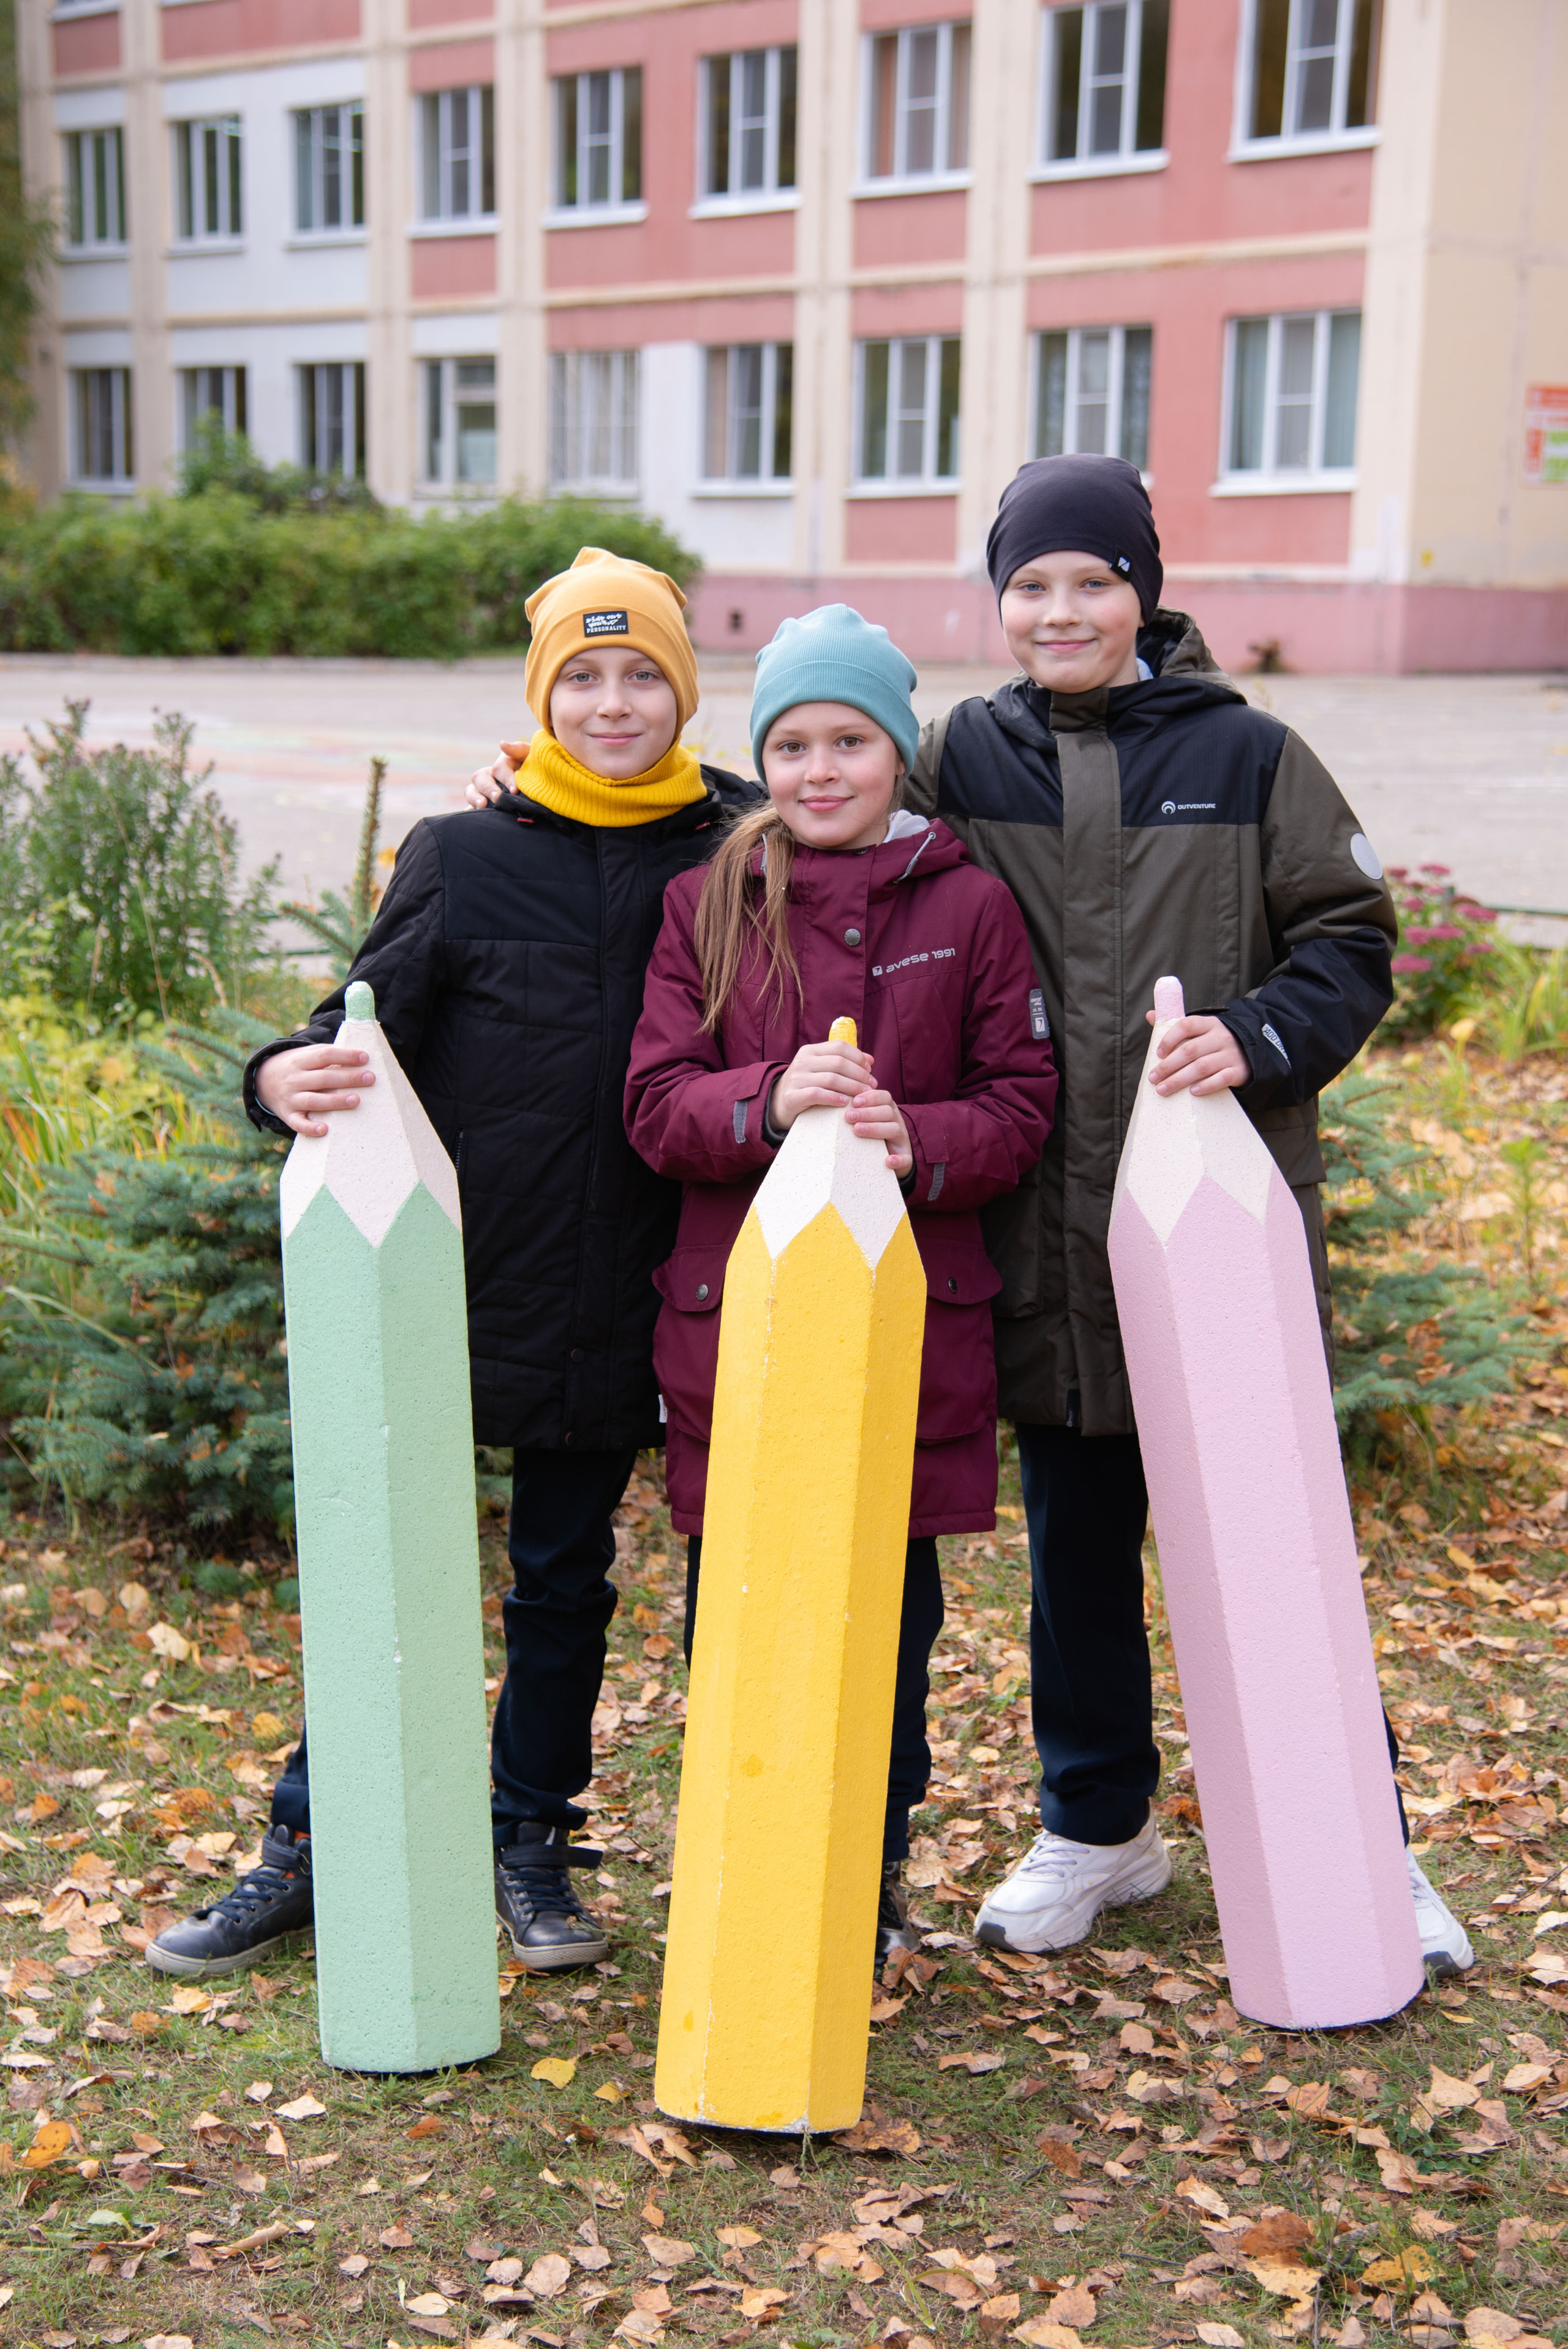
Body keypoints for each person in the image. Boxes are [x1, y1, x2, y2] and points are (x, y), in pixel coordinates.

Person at [146, 548, 762, 1983]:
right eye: (583, 679)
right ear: (542, 697)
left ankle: (526, 1839)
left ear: (682, 691)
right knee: (386, 1572)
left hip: (624, 1294)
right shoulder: (465, 849)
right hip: (448, 1287)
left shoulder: (735, 845)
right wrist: (274, 1075)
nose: (613, 705)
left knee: (564, 1576)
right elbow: (353, 1022)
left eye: (642, 677)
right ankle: (313, 1841)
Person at [901, 452, 1473, 1975]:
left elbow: (1348, 942)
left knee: (1273, 1545)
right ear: (998, 602)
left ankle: (1363, 1838)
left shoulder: (1250, 757)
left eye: (1092, 581)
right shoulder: (958, 756)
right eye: (1028, 585)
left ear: (1143, 593)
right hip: (1045, 1235)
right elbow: (807, 826)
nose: (1060, 609)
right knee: (1077, 1552)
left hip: (1217, 1230)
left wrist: (1259, 1034)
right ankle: (1097, 1828)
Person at [621, 604, 1057, 1957]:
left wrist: (912, 1134)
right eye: (793, 743)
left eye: (851, 742)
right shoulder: (708, 900)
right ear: (763, 755)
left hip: (903, 1330)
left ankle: (864, 1872)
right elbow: (653, 1104)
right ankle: (744, 1866)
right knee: (739, 1609)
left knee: (887, 1616)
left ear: (895, 750)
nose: (821, 771)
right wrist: (763, 1099)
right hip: (738, 1330)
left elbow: (1020, 1107)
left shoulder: (969, 901)